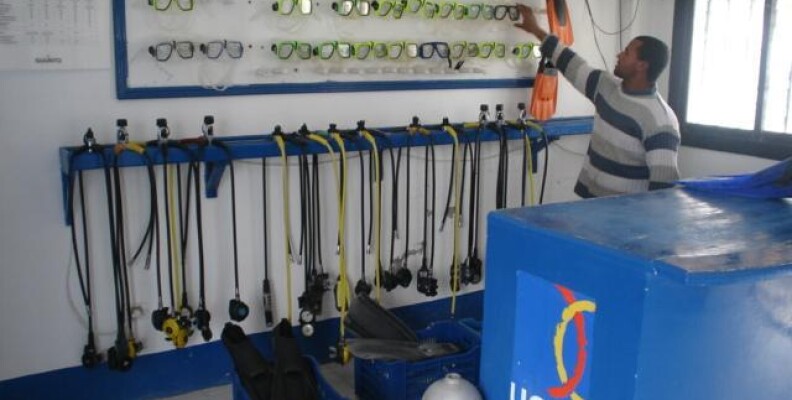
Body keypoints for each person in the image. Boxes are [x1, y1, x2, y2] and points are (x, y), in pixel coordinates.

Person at [515, 4, 681, 198]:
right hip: (591, 201)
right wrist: (536, 29)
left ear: (642, 66)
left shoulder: (660, 122)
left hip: (625, 213)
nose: (619, 55)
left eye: (627, 52)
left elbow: (664, 191)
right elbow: (570, 62)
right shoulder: (605, 87)